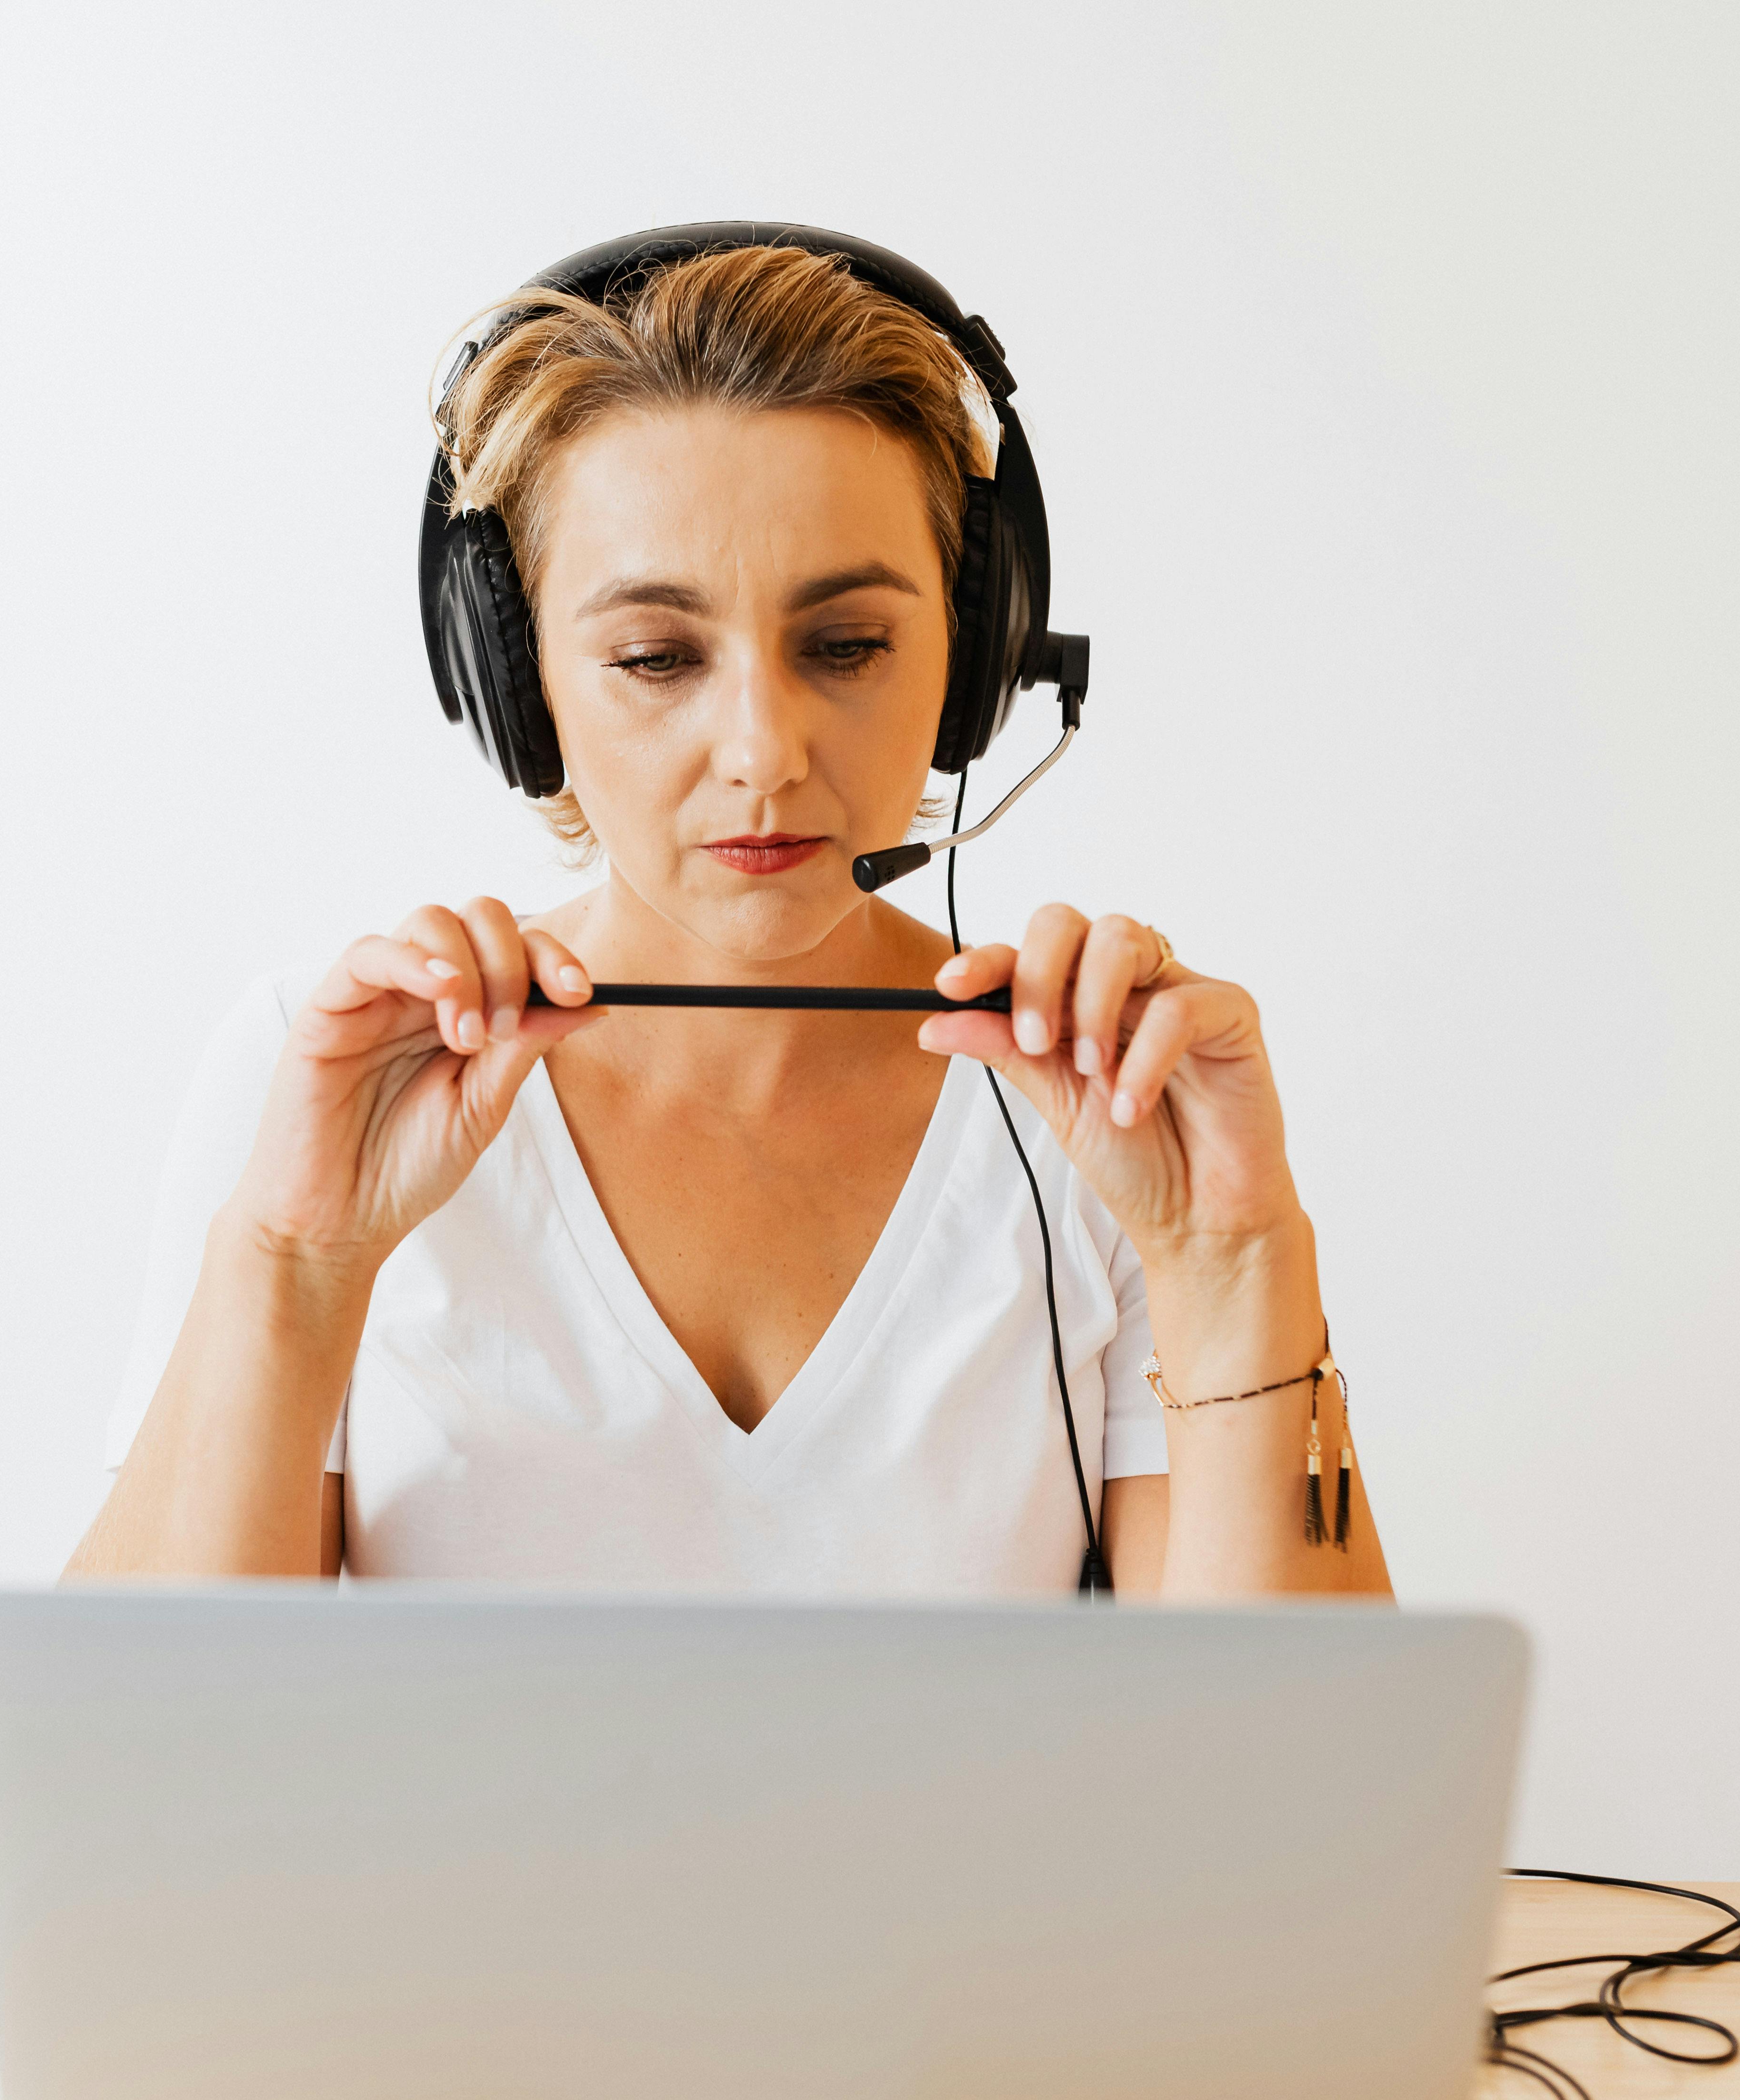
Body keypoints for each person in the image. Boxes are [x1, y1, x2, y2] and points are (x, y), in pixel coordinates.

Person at [71, 239, 1391, 1600]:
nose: (762, 748)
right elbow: (123, 1779)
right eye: (655, 658)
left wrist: (1232, 1262)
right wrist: (294, 1263)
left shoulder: (1101, 1118)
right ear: (521, 687)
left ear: (977, 657)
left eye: (846, 647)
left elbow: (1312, 1796)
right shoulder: (325, 1077)